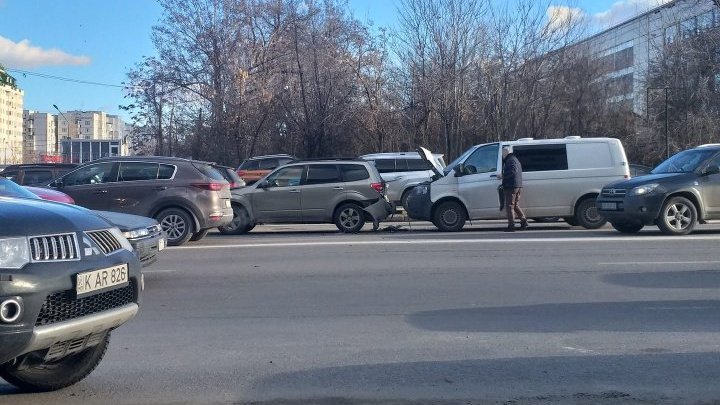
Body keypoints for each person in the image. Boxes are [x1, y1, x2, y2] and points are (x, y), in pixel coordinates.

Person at [498, 146, 528, 232]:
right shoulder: (515, 159)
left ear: (506, 152)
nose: (502, 155)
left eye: (503, 152)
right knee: (515, 205)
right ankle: (524, 221)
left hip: (511, 186)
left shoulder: (510, 160)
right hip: (517, 185)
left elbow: (512, 171)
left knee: (509, 206)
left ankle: (511, 226)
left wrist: (502, 176)